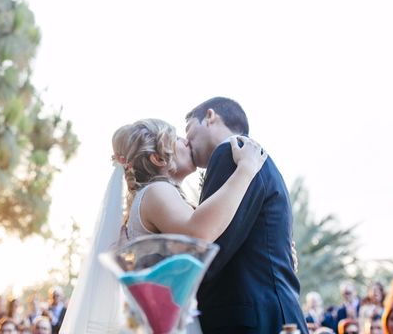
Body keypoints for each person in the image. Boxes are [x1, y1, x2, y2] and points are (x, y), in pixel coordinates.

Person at [60, 117, 267, 333]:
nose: (185, 140)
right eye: (177, 138)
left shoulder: (155, 197)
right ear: (158, 158)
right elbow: (199, 233)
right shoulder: (156, 191)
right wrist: (246, 169)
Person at [185, 96, 308, 334]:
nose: (186, 142)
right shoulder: (254, 158)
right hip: (274, 314)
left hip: (251, 320)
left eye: (188, 129)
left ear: (210, 117)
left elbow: (212, 247)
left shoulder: (231, 151)